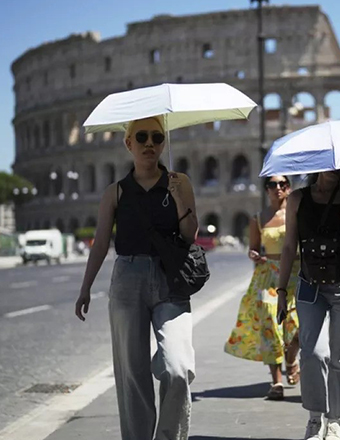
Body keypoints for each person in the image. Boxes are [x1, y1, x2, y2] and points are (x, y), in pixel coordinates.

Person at [75, 116, 199, 440]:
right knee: (132, 375)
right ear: (128, 143)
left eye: (157, 138)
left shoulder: (179, 182)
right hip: (127, 280)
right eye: (141, 137)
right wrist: (85, 287)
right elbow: (101, 242)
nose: (149, 144)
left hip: (170, 279)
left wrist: (179, 198)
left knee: (177, 368)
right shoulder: (115, 192)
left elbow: (190, 234)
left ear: (163, 144)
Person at [275, 167, 340, 440]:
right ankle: (315, 417)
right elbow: (288, 246)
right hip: (309, 283)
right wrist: (281, 289)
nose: (336, 170)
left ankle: (335, 420)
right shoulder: (297, 199)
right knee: (314, 353)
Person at [225, 175, 301, 401]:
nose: (278, 188)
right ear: (266, 189)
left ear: (289, 187)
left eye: (283, 184)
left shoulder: (296, 215)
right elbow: (254, 249)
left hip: (296, 274)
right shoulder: (258, 218)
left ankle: (291, 359)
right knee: (271, 326)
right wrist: (254, 255)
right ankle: (276, 381)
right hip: (268, 276)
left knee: (298, 328)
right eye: (272, 185)